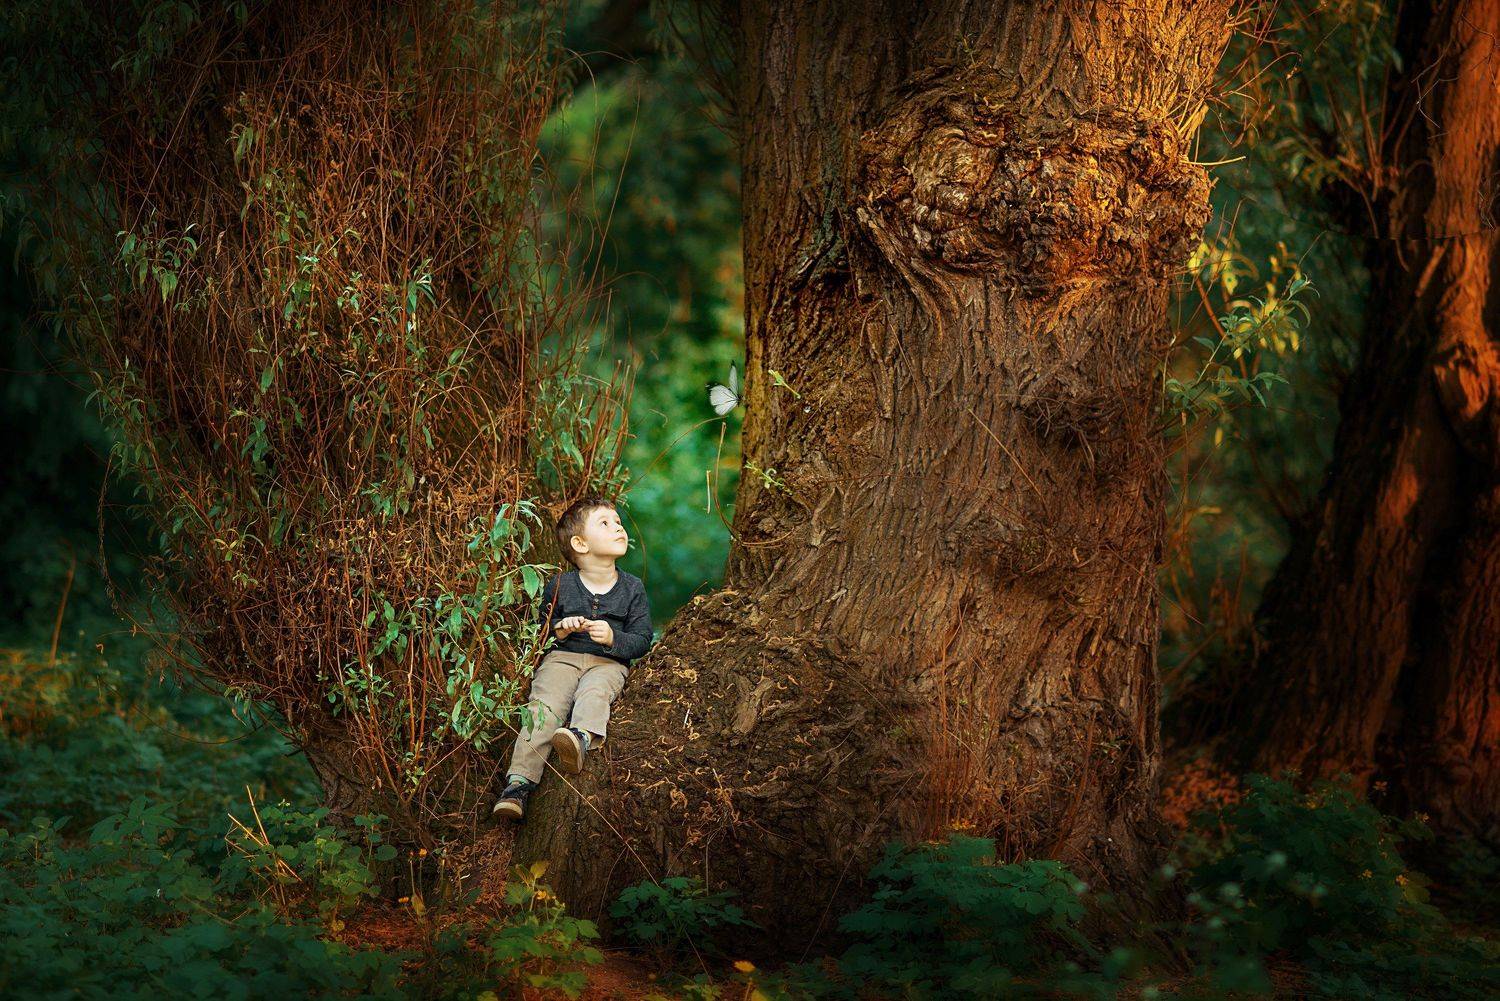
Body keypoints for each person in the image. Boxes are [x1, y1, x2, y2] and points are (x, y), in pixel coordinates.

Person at [491, 495, 653, 821]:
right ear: (580, 544)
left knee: (596, 693)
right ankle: (518, 785)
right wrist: (559, 632)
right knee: (543, 707)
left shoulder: (632, 588)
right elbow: (541, 632)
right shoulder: (560, 586)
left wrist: (613, 638)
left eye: (618, 523)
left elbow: (641, 640)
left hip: (607, 663)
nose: (618, 528)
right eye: (605, 524)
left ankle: (579, 738)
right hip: (562, 659)